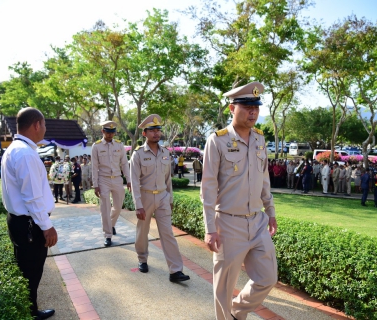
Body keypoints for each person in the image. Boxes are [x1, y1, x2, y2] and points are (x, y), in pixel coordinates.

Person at [201, 81, 277, 320]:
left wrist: (271, 211)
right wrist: (210, 229)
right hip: (228, 224)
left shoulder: (260, 139)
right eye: (246, 106)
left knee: (268, 277)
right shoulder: (217, 140)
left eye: (256, 106)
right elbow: (208, 187)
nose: (252, 111)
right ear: (232, 108)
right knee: (223, 287)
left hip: (257, 221)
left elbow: (264, 178)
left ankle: (238, 311)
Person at [1, 107, 58, 320]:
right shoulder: (25, 154)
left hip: (20, 221)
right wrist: (47, 226)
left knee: (26, 270)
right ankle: (30, 313)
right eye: (44, 125)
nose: (44, 129)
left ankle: (29, 310)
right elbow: (32, 197)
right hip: (29, 224)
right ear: (36, 125)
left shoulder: (15, 149)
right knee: (32, 271)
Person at [130, 114, 190, 282]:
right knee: (143, 231)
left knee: (168, 233)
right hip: (145, 197)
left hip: (163, 197)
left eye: (158, 130)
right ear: (144, 133)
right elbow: (134, 182)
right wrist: (138, 205)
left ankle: (175, 270)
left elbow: (167, 179)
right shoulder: (138, 154)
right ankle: (142, 258)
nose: (156, 133)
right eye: (152, 130)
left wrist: (169, 199)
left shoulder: (165, 152)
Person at [91, 121, 131, 247]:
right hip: (103, 180)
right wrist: (95, 184)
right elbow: (94, 167)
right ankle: (107, 235)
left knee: (118, 207)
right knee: (105, 208)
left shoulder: (119, 145)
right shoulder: (96, 146)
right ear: (103, 131)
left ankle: (111, 224)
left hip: (117, 179)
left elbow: (124, 163)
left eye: (112, 132)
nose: (110, 135)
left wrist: (128, 180)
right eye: (108, 132)